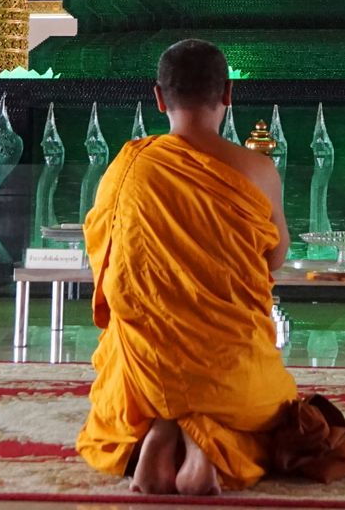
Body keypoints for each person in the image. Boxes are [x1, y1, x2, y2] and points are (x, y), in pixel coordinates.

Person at [78, 39, 297, 496]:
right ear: (228, 94)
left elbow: (108, 266)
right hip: (232, 372)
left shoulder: (127, 167)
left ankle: (161, 430)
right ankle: (205, 446)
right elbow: (274, 258)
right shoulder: (257, 169)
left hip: (146, 375)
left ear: (158, 98)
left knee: (143, 368)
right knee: (275, 414)